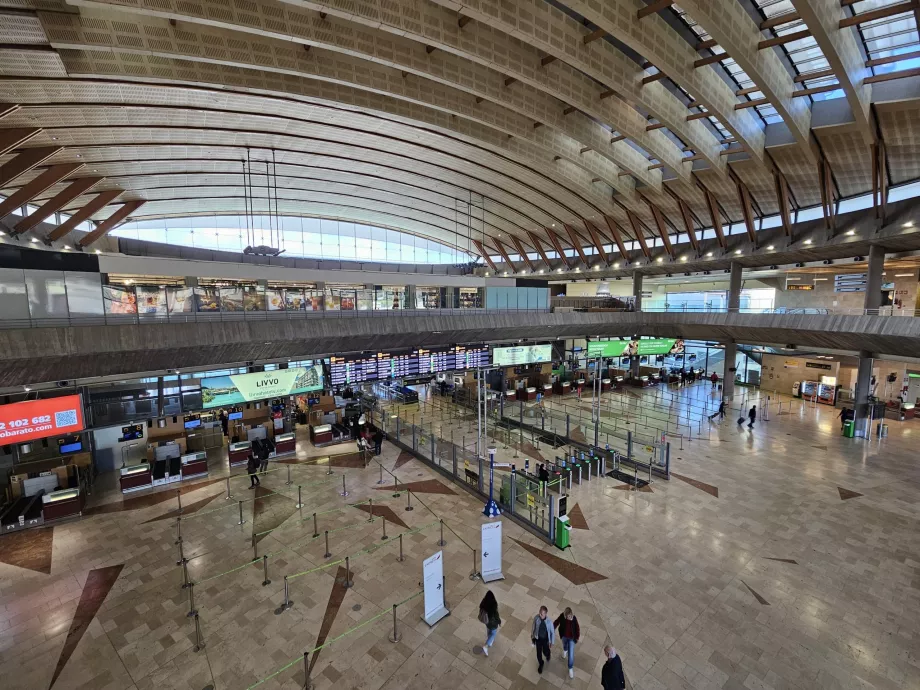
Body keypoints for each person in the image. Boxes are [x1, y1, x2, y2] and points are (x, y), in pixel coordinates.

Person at [553, 606, 580, 678]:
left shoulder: (574, 619)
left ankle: (570, 668)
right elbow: (556, 622)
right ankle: (565, 650)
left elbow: (577, 628)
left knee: (571, 654)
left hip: (571, 638)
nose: (569, 618)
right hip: (564, 636)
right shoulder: (562, 616)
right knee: (565, 645)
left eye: (570, 616)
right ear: (565, 615)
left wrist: (577, 637)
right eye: (568, 616)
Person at [531, 605, 555, 674]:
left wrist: (552, 642)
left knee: (545, 651)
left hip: (545, 640)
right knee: (538, 654)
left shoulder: (549, 622)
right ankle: (541, 664)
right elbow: (533, 627)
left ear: (545, 614)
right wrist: (532, 637)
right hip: (538, 639)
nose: (540, 614)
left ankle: (548, 654)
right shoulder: (536, 618)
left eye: (542, 614)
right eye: (539, 612)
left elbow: (552, 633)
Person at [479, 590, 501, 656]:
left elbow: (480, 608)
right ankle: (486, 645)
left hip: (486, 621)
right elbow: (496, 615)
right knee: (493, 633)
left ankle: (490, 640)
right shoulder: (494, 604)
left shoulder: (483, 602)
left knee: (489, 630)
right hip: (493, 622)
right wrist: (499, 621)